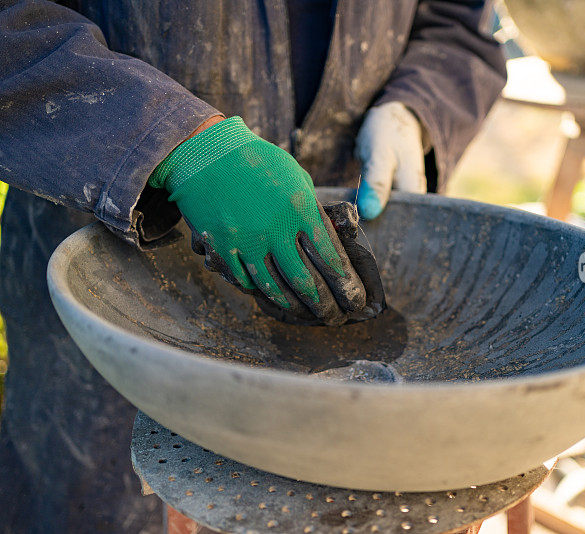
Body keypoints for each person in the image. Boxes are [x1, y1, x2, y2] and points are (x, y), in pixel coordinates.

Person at [0, 0, 506, 531]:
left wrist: (418, 104)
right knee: (95, 507)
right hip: (116, 294)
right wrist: (174, 142)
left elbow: (458, 24)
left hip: (345, 267)